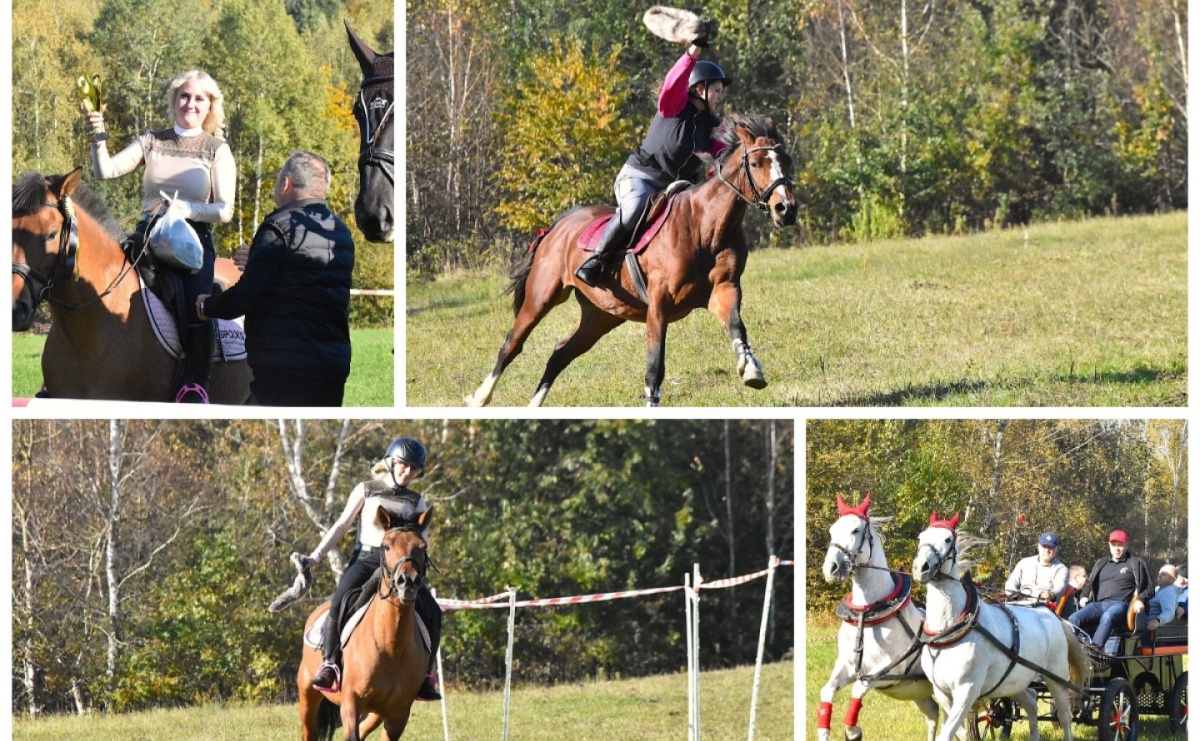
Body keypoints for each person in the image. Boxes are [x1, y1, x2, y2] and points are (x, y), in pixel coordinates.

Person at [83, 70, 236, 403]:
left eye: (199, 98)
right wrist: (97, 132)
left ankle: (196, 384)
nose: (190, 103)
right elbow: (104, 171)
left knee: (198, 306)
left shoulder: (217, 150)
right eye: (184, 96)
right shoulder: (152, 140)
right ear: (174, 99)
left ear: (210, 105)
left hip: (192, 245)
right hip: (146, 239)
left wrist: (186, 209)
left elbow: (225, 211)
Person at [196, 151, 354, 406]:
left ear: (286, 183)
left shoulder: (278, 227)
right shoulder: (341, 232)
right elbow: (304, 277)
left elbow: (245, 296)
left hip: (284, 368)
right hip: (332, 368)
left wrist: (207, 306)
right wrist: (258, 259)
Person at [574, 26, 728, 286]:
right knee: (634, 210)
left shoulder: (712, 127)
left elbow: (724, 154)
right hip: (641, 177)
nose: (719, 97)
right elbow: (673, 81)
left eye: (720, 92)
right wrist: (693, 51)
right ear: (698, 88)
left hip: (677, 189)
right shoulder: (673, 105)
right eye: (715, 90)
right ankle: (596, 260)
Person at [303, 437, 442, 700]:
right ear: (390, 462)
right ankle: (330, 664)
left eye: (413, 469)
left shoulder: (416, 501)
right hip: (367, 561)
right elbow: (342, 526)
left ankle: (425, 675)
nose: (407, 472)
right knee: (340, 600)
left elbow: (423, 541)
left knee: (433, 611)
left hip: (400, 567)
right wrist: (316, 556)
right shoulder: (367, 490)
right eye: (403, 465)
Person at [1069, 530, 1153, 653]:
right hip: (1098, 605)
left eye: (1120, 545)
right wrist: (1083, 596)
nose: (1117, 548)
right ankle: (1071, 649)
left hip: (1120, 605)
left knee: (1107, 617)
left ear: (1127, 545)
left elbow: (1149, 588)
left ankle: (1094, 650)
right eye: (1114, 545)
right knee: (1073, 618)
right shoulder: (1101, 563)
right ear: (1109, 545)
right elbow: (1089, 584)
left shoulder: (1136, 563)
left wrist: (1140, 600)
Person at [1004, 531, 1068, 603]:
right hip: (1020, 603)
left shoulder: (1061, 569)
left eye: (1050, 547)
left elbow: (1060, 587)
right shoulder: (1024, 563)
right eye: (1044, 546)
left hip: (1042, 607)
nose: (1047, 550)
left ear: (1056, 549)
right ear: (1038, 546)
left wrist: (1051, 595)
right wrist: (1013, 594)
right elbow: (1011, 581)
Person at [1143, 564, 1181, 633]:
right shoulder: (1159, 589)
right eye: (1159, 574)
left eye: (1163, 574)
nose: (1159, 576)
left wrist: (1157, 621)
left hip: (1154, 630)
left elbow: (1169, 612)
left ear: (1173, 579)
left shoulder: (1169, 591)